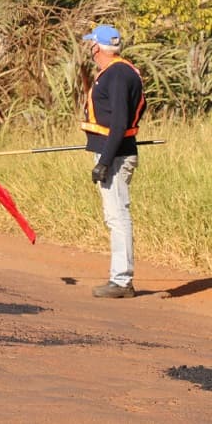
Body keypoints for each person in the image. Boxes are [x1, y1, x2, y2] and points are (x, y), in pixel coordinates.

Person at [81, 24, 146, 299]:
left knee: (118, 216)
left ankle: (121, 281)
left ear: (97, 47)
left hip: (116, 156)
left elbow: (119, 121)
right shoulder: (119, 72)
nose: (90, 50)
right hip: (114, 152)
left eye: (91, 45)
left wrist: (104, 160)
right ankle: (120, 278)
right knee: (114, 215)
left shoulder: (117, 74)